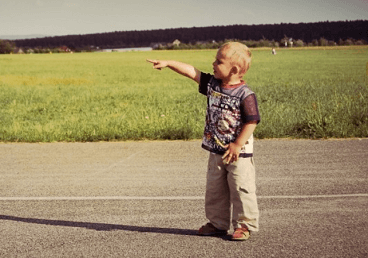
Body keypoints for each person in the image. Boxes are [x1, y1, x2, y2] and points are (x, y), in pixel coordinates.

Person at [147, 41, 260, 241]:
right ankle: (217, 224)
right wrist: (168, 62)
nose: (213, 63)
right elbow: (192, 72)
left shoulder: (245, 94)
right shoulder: (212, 85)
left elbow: (252, 121)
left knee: (241, 188)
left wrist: (237, 144)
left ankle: (244, 225)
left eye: (219, 61)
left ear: (233, 69)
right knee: (215, 189)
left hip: (238, 153)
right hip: (216, 150)